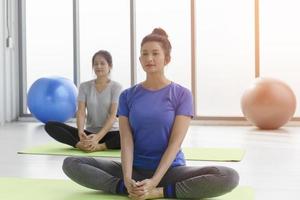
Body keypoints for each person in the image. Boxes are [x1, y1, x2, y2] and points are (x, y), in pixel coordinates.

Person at [62, 28, 239, 199]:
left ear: (167, 59)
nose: (149, 58)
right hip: (135, 170)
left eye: (155, 53)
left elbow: (174, 144)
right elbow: (126, 141)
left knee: (228, 176)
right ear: (140, 59)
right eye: (145, 54)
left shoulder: (182, 94)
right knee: (71, 163)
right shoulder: (127, 96)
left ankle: (160, 192)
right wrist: (127, 177)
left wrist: (154, 184)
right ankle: (127, 188)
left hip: (170, 171)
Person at [44, 50, 122, 152]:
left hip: (110, 134)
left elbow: (113, 116)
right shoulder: (84, 86)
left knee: (130, 135)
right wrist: (81, 133)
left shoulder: (116, 87)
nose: (98, 66)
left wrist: (97, 138)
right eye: (96, 64)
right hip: (88, 134)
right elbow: (81, 112)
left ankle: (100, 146)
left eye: (102, 63)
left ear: (110, 66)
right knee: (50, 125)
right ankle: (80, 145)